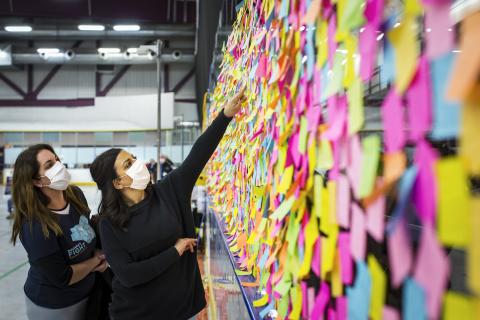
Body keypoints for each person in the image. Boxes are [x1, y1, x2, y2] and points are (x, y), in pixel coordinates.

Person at [89, 86, 246, 320]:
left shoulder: (169, 190)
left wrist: (225, 116)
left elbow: (198, 155)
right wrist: (175, 249)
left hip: (182, 311)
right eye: (127, 164)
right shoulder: (109, 224)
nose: (137, 163)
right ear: (118, 183)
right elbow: (129, 275)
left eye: (133, 158)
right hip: (136, 314)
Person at [10, 144, 109, 320]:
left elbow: (86, 231)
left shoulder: (75, 194)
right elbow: (62, 277)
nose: (59, 166)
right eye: (49, 165)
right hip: (55, 305)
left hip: (88, 291)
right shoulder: (35, 225)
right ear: (37, 181)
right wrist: (96, 261)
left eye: (57, 160)